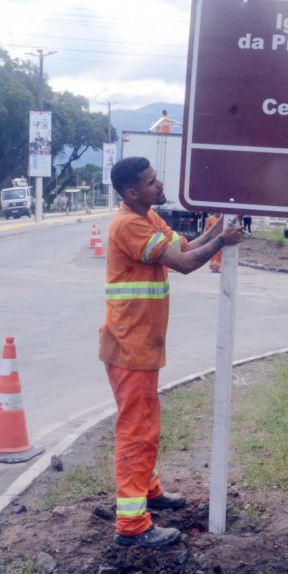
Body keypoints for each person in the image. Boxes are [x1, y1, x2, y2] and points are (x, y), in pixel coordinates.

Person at [100, 156, 243, 549]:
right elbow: (182, 263)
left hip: (140, 342)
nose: (160, 185)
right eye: (151, 182)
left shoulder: (146, 217)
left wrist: (217, 222)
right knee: (137, 429)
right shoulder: (128, 224)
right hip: (129, 345)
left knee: (146, 422)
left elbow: (184, 245)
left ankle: (150, 491)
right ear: (132, 192)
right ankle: (131, 526)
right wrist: (222, 241)